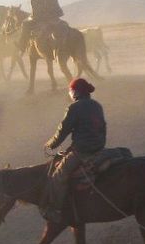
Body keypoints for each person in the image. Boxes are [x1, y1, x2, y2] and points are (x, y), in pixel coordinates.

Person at [42, 77, 106, 223]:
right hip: (98, 147)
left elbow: (62, 131)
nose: (69, 94)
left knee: (58, 177)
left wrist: (50, 145)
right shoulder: (97, 105)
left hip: (83, 151)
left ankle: (56, 211)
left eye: (70, 91)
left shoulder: (74, 108)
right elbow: (103, 127)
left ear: (75, 92)